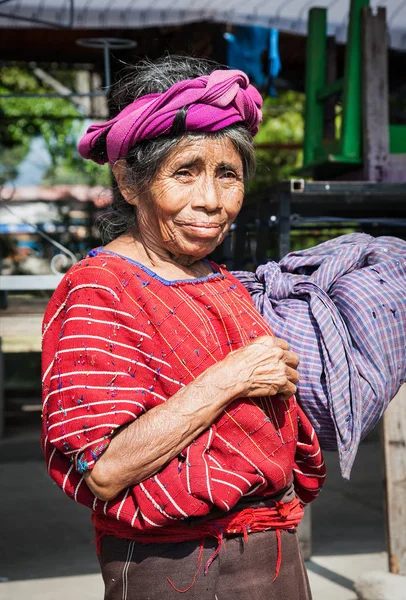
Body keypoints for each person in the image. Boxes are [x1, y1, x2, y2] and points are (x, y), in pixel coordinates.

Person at [41, 56, 325, 600]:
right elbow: (104, 468)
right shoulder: (101, 287)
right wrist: (232, 377)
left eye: (228, 175)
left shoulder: (218, 279)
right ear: (128, 180)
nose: (212, 201)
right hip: (179, 569)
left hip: (272, 551)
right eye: (185, 172)